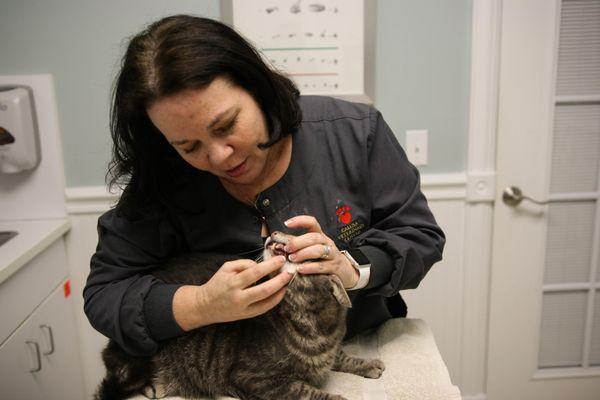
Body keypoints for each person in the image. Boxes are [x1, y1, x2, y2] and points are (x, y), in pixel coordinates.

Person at [84, 15, 445, 356]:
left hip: (358, 346)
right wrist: (201, 305)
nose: (220, 157)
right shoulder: (165, 177)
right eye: (189, 146)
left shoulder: (353, 132)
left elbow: (418, 236)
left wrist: (350, 268)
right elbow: (105, 293)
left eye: (226, 126)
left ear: (257, 88)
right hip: (235, 369)